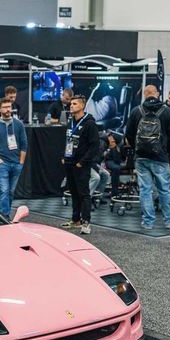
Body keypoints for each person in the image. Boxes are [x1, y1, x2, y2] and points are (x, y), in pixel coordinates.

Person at [125, 84, 170, 230]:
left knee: (145, 190)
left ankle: (148, 222)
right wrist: (167, 150)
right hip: (160, 157)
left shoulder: (137, 111)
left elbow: (128, 134)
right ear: (156, 94)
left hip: (141, 158)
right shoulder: (167, 112)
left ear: (144, 95)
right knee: (164, 189)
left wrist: (137, 148)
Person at [61, 95, 100, 235]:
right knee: (74, 193)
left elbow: (94, 146)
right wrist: (64, 156)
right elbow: (68, 141)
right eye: (71, 104)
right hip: (69, 162)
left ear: (82, 106)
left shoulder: (89, 123)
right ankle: (75, 219)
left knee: (84, 194)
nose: (71, 106)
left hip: (81, 164)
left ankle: (86, 222)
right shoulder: (71, 121)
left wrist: (82, 162)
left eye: (75, 104)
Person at [0, 97, 27, 219]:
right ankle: (4, 216)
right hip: (1, 164)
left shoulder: (18, 124)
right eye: (5, 107)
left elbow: (24, 144)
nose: (8, 109)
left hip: (16, 163)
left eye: (9, 107)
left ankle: (4, 212)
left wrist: (21, 162)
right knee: (4, 190)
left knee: (11, 191)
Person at [104, 133, 122, 198]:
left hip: (114, 160)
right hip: (109, 160)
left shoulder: (117, 146)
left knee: (117, 168)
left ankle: (115, 191)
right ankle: (114, 191)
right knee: (116, 168)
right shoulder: (106, 142)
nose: (111, 142)